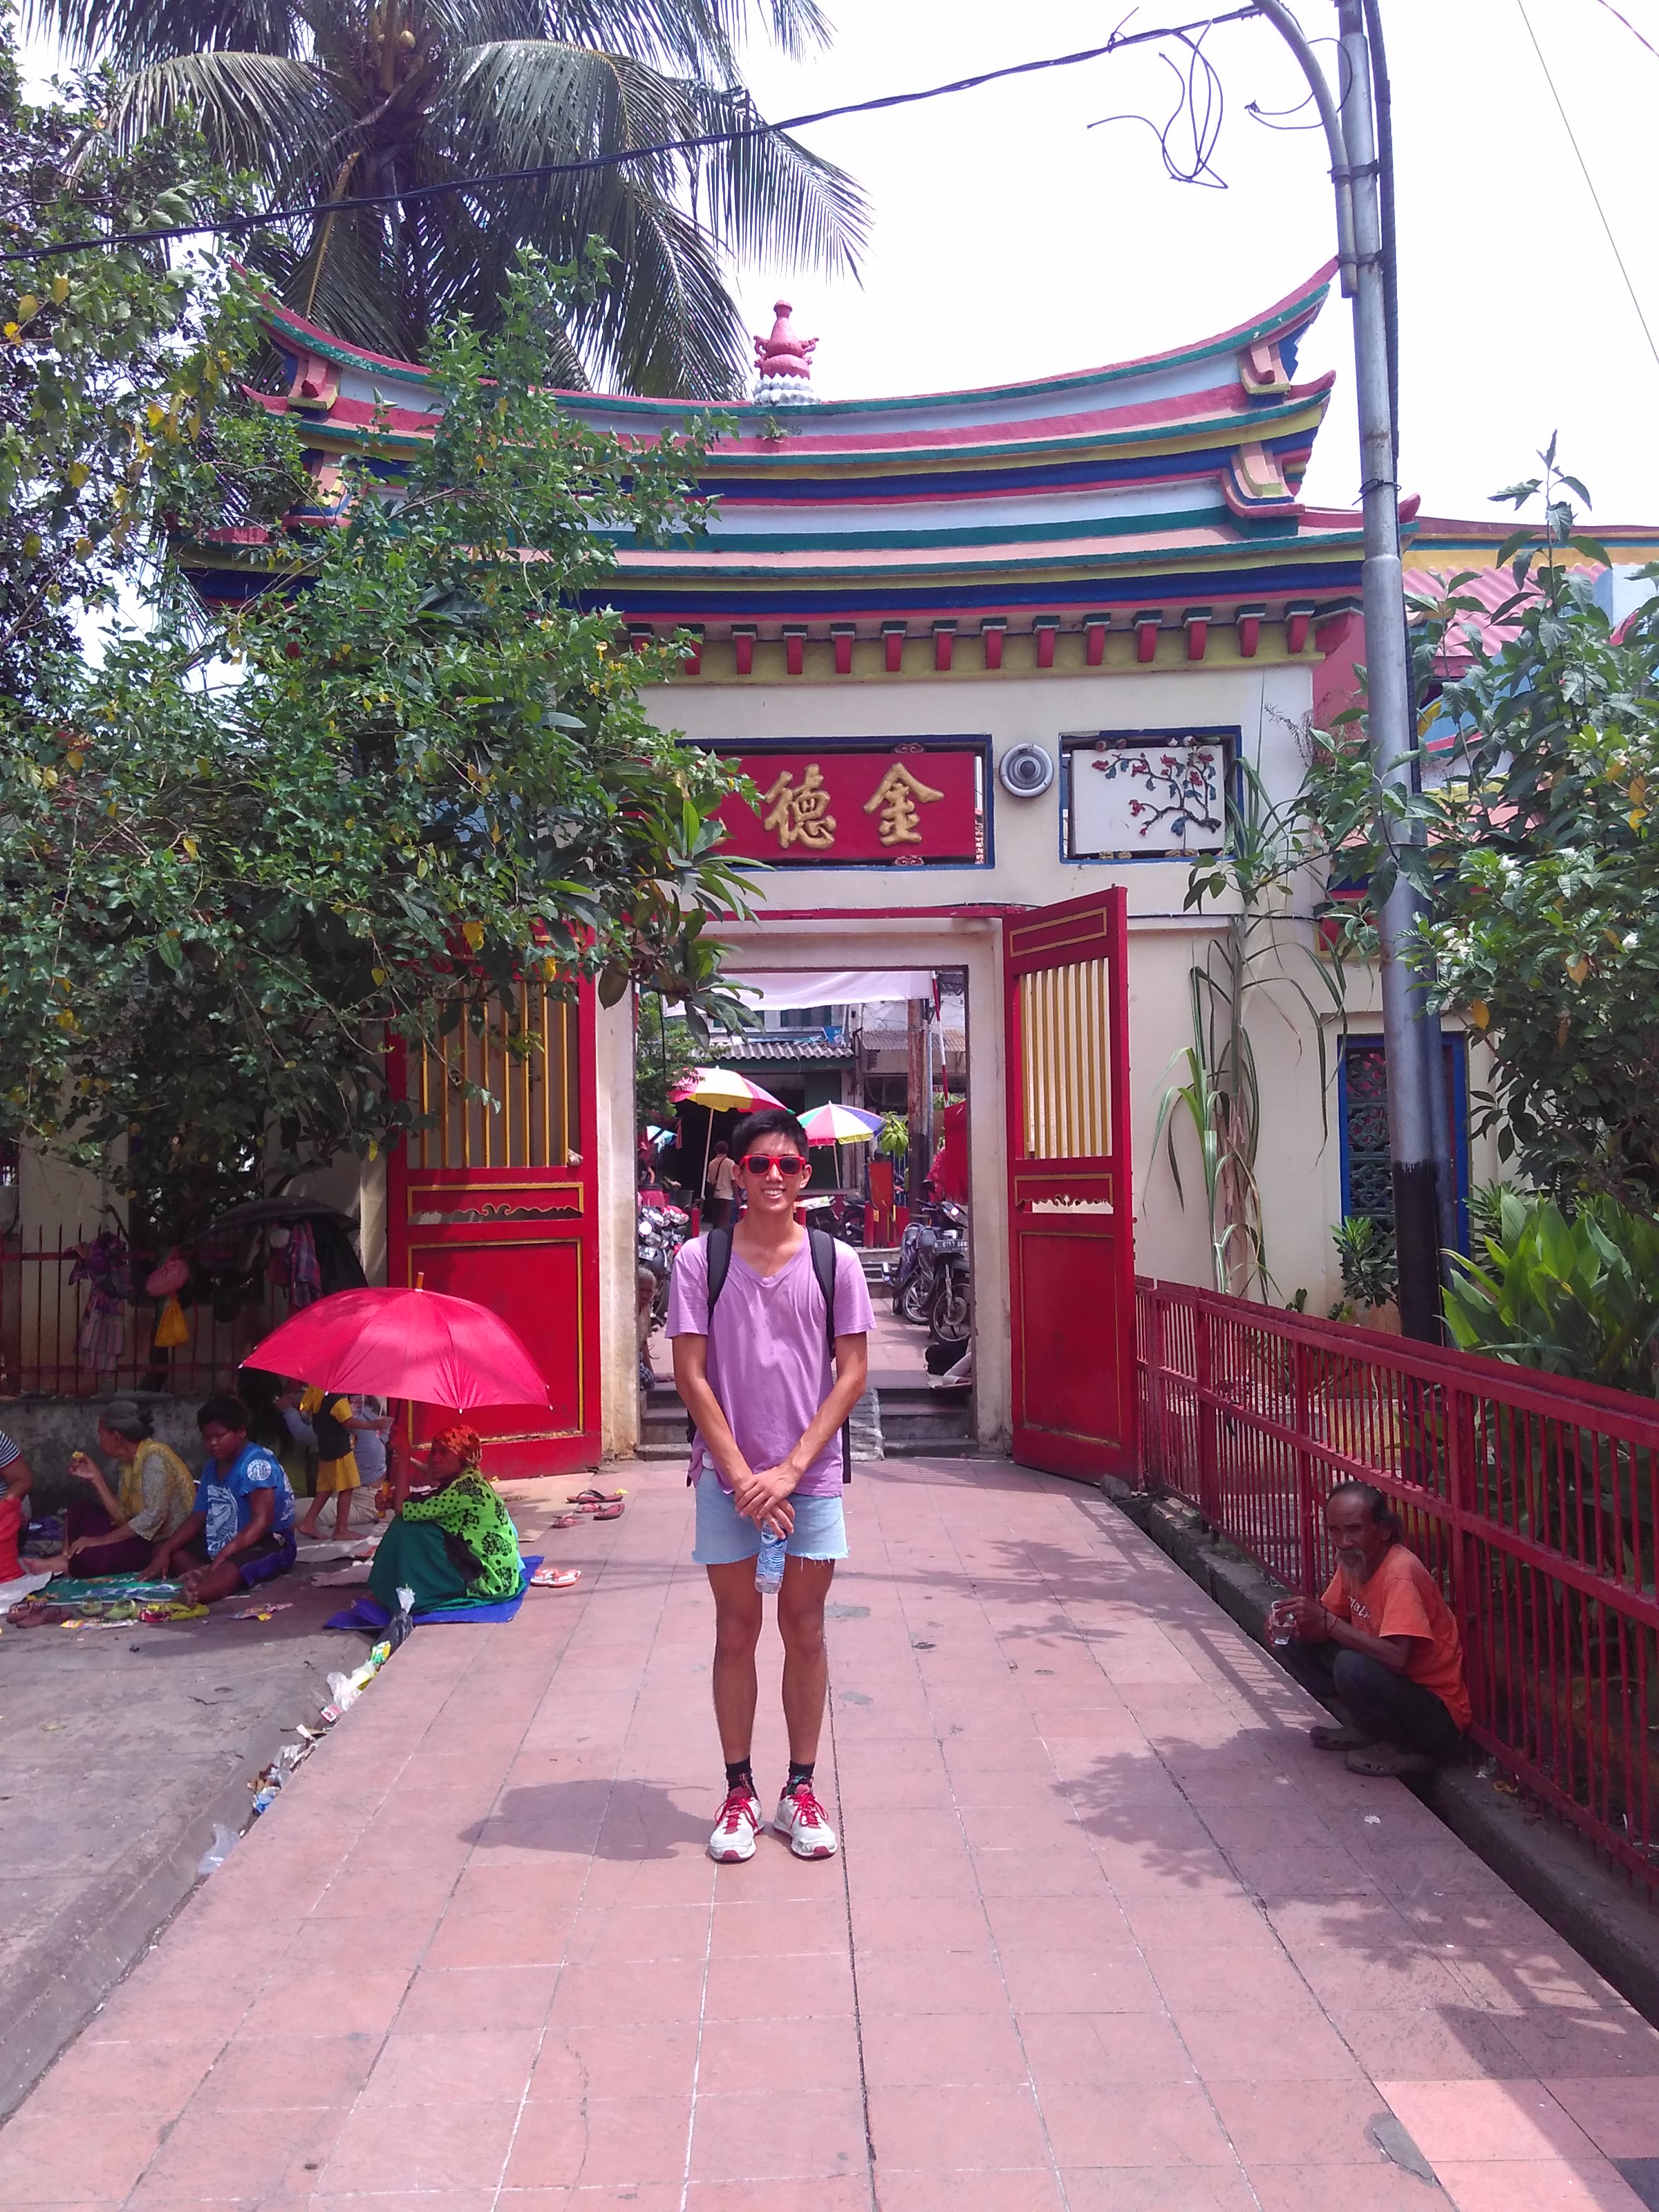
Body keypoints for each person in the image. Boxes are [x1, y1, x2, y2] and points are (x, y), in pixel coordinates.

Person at [668, 1107, 872, 1864]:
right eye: (760, 1165)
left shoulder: (834, 1262)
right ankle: (739, 1790)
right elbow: (690, 1375)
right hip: (730, 1480)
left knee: (806, 1630)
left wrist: (788, 1471)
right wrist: (741, 1475)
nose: (775, 1176)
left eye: (789, 1164)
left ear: (805, 1174)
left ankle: (801, 1788)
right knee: (735, 1631)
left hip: (808, 1481)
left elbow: (851, 1374)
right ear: (737, 1172)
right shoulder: (700, 1260)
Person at [1266, 1479, 1471, 1777]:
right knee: (1295, 1642)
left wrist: (1329, 1623)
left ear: (1384, 1530)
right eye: (1334, 1530)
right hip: (1393, 1685)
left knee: (1351, 1666)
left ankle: (1409, 1748)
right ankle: (1366, 1727)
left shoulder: (1399, 1573)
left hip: (1436, 1713)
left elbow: (1398, 1658)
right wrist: (1288, 1622)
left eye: (1354, 1529)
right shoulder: (1354, 1560)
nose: (1343, 1541)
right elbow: (1326, 1618)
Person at [145, 1392, 299, 1606]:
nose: (212, 1443)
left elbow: (261, 1522)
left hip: (268, 1540)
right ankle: (206, 1573)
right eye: (207, 1437)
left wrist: (225, 1554)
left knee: (233, 1568)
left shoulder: (257, 1464)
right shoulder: (212, 1467)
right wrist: (166, 1550)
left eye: (219, 1436)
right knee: (166, 1549)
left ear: (241, 1431)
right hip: (223, 1538)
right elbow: (198, 1516)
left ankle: (197, 1594)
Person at [367, 1425, 523, 1615]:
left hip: (491, 1580)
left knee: (406, 1528)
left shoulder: (463, 1490)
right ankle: (389, 1585)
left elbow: (403, 1509)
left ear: (463, 1457)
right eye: (433, 1452)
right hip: (499, 1572)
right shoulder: (470, 1477)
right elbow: (421, 1498)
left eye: (444, 1453)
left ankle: (392, 1589)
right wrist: (393, 1499)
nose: (435, 1458)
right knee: (415, 1523)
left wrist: (405, 1456)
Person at [54, 1401, 195, 1575]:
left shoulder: (155, 1460)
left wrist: (102, 1540)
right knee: (80, 1511)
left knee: (88, 1558)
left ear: (116, 1437)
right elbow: (123, 1517)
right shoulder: (128, 1462)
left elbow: (152, 1517)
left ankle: (67, 1565)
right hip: (137, 1533)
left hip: (157, 1541)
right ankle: (65, 1556)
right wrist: (96, 1479)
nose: (99, 1441)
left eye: (101, 1434)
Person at [294, 1385, 361, 1540]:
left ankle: (308, 1522)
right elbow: (348, 1421)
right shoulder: (336, 1396)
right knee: (347, 1487)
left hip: (325, 1447)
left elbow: (307, 1410)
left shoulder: (317, 1392)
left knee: (325, 1488)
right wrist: (373, 1425)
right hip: (340, 1449)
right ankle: (341, 1529)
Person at [703, 1141, 736, 1230]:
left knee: (716, 1221)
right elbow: (733, 1181)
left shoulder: (712, 1163)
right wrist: (737, 1198)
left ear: (716, 1150)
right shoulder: (730, 1163)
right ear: (727, 1150)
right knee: (724, 1221)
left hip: (715, 1196)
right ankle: (721, 1237)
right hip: (726, 1196)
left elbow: (710, 1183)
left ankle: (715, 1236)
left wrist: (709, 1197)